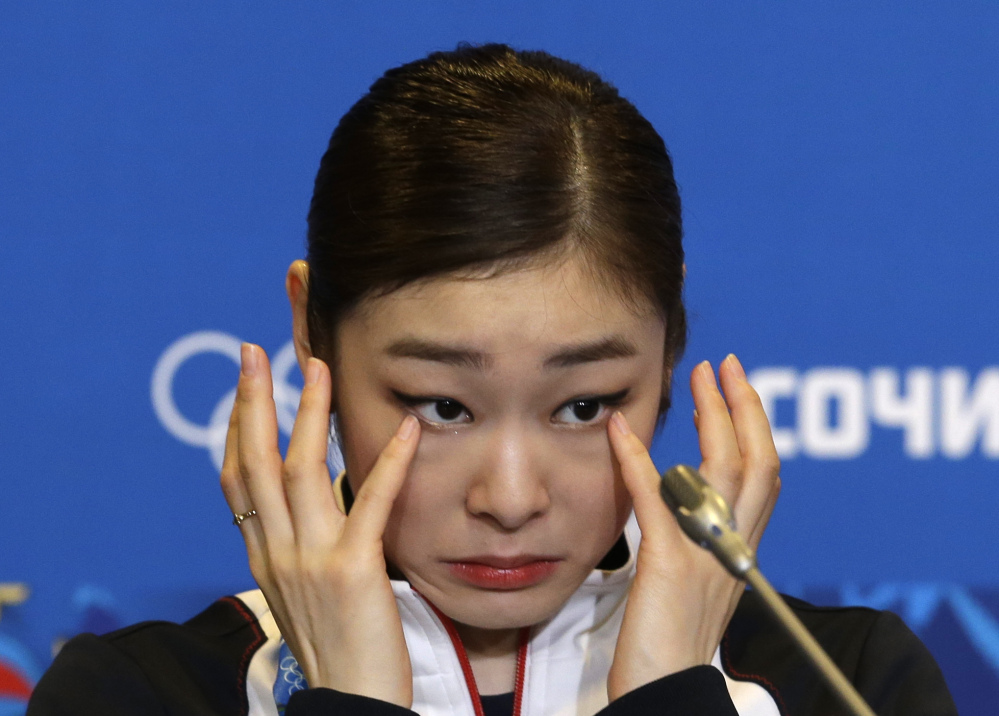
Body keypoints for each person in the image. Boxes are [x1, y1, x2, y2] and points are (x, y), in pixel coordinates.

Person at [28, 43, 956, 716]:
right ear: (310, 335)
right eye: (440, 405)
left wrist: (679, 699)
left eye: (584, 405)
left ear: (667, 342)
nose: (510, 500)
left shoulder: (848, 685)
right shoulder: (137, 696)